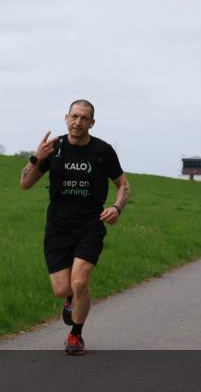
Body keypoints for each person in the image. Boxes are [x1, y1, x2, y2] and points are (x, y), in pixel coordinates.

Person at [19, 100, 130, 355]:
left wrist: (117, 208)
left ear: (92, 122)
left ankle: (75, 336)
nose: (78, 122)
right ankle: (70, 301)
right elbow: (25, 184)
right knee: (63, 289)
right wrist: (37, 158)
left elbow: (123, 184)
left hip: (90, 224)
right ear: (66, 118)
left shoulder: (103, 151)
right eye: (74, 116)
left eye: (84, 118)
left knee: (79, 282)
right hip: (58, 226)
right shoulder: (54, 148)